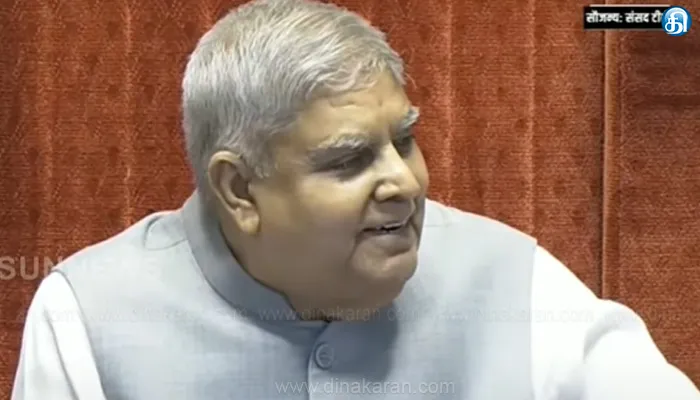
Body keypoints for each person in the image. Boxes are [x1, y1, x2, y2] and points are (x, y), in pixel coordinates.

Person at [10, 0, 700, 398]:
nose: (404, 181)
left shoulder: (514, 282)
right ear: (240, 190)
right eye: (349, 160)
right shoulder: (89, 316)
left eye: (404, 140)